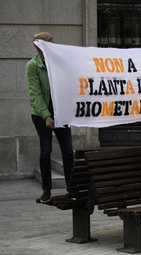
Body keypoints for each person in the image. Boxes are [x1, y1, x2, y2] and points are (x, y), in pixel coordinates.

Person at [26, 32, 74, 203]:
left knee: (68, 150)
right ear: (39, 44)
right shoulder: (32, 66)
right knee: (46, 151)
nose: (54, 41)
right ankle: (46, 190)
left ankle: (71, 188)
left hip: (61, 112)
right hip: (41, 114)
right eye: (50, 40)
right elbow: (35, 94)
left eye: (54, 38)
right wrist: (46, 116)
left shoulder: (58, 61)